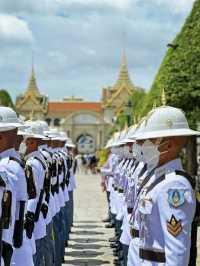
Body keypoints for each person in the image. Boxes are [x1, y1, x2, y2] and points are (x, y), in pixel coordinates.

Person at [128, 105, 200, 265]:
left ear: (168, 145)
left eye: (149, 141)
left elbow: (176, 252)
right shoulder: (158, 177)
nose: (143, 146)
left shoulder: (174, 185)